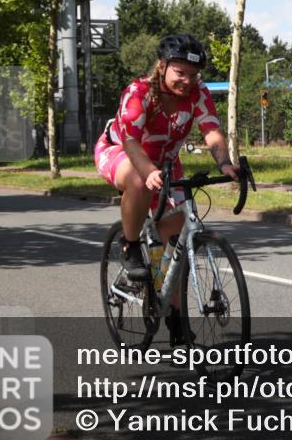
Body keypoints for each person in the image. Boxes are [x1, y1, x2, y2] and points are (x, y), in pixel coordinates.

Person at [95, 34, 239, 286]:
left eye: (193, 75)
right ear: (162, 66)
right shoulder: (139, 93)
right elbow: (130, 142)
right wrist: (148, 171)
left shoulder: (198, 93)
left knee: (178, 240)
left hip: (165, 163)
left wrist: (225, 163)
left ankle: (172, 312)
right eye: (180, 72)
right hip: (122, 151)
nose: (187, 81)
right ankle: (130, 246)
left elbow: (211, 130)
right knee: (137, 180)